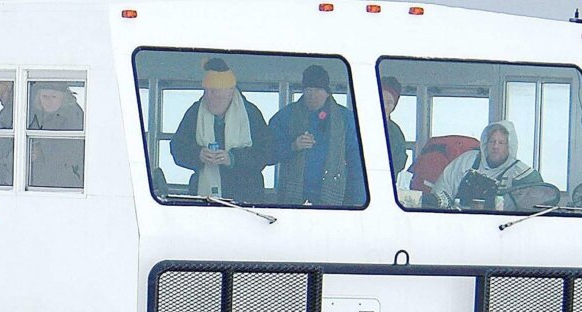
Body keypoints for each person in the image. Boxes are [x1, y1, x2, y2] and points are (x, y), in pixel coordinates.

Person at [166, 59, 270, 200]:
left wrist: (233, 159)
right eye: (206, 91)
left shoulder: (251, 114)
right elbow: (177, 147)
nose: (208, 96)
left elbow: (266, 153)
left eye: (214, 91)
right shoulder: (195, 112)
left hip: (246, 195)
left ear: (230, 91)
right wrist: (198, 154)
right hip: (204, 197)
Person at [266, 64, 365, 207]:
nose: (313, 95)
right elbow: (267, 154)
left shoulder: (346, 120)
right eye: (308, 89)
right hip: (291, 200)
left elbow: (357, 163)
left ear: (327, 92)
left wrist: (358, 203)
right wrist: (293, 146)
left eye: (318, 89)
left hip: (336, 201)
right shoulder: (285, 117)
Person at [429, 120, 542, 209]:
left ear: (510, 146)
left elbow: (539, 201)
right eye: (492, 141)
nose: (495, 146)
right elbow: (442, 188)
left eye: (501, 143)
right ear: (485, 143)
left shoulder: (521, 173)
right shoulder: (467, 160)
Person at [380, 75, 409, 179]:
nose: (385, 106)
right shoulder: (354, 125)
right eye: (381, 100)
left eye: (390, 102)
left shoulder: (396, 132)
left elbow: (400, 160)